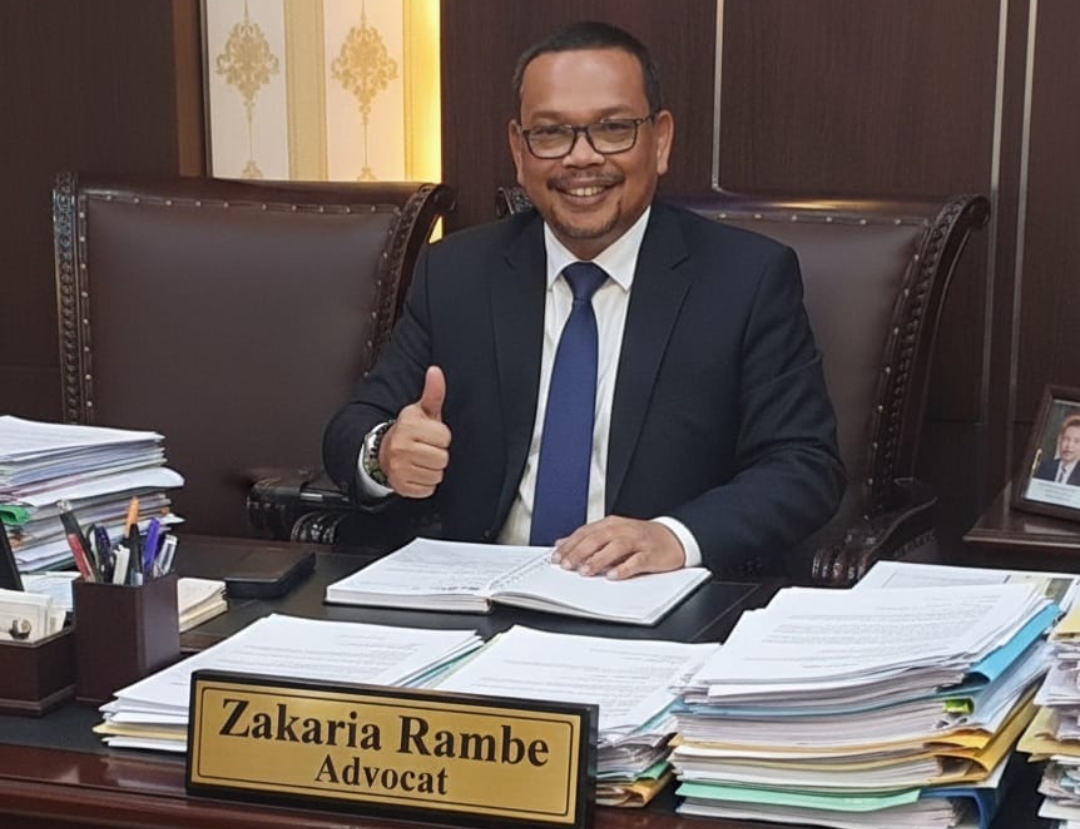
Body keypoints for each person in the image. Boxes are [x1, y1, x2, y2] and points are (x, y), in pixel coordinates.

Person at [323, 21, 844, 580]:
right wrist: (386, 453)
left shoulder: (745, 279)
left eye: (613, 128)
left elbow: (803, 466)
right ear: (519, 151)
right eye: (551, 134)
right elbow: (355, 424)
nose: (582, 158)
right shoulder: (457, 273)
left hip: (651, 598)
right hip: (479, 593)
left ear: (660, 140)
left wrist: (674, 536)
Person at [1034, 415, 1080, 485]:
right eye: (1066, 439)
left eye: (1076, 441)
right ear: (1059, 440)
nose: (1069, 445)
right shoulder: (1043, 468)